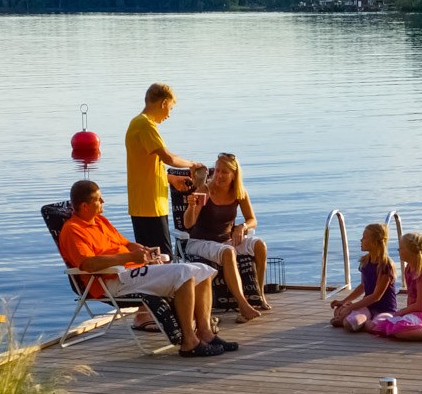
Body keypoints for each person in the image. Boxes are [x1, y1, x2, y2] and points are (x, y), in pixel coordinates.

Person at [57, 180, 237, 358]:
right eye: (98, 199)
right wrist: (129, 258)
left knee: (202, 270)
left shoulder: (100, 221)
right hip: (113, 280)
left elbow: (126, 243)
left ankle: (205, 333)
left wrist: (142, 251)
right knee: (184, 273)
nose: (103, 202)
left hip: (132, 273)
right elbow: (89, 264)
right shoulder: (73, 230)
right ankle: (189, 342)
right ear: (84, 206)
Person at [181, 153, 269, 323]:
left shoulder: (239, 193)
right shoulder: (204, 191)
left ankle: (260, 296)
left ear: (234, 175)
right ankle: (242, 304)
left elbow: (253, 220)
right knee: (228, 252)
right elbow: (188, 224)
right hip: (200, 242)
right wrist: (191, 207)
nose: (219, 176)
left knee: (260, 245)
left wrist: (241, 227)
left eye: (225, 172)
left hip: (225, 240)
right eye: (218, 171)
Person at [125, 83, 204, 259]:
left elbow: (146, 164)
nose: (169, 114)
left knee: (152, 258)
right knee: (163, 258)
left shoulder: (137, 123)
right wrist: (192, 165)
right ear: (163, 103)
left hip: (144, 202)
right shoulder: (146, 125)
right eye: (171, 107)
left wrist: (170, 178)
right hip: (150, 205)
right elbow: (168, 158)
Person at [370, 230, 422, 346]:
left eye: (401, 248)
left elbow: (421, 305)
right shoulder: (409, 268)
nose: (398, 250)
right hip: (421, 312)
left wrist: (401, 312)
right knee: (389, 324)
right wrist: (406, 314)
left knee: (398, 329)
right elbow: (411, 298)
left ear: (411, 251)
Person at [328, 222, 397, 332]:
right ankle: (355, 318)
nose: (361, 240)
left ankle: (364, 321)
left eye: (364, 238)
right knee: (342, 313)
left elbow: (376, 296)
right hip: (368, 307)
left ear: (374, 242)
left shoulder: (385, 265)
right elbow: (363, 285)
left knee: (348, 323)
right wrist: (344, 301)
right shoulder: (365, 261)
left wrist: (351, 307)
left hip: (383, 309)